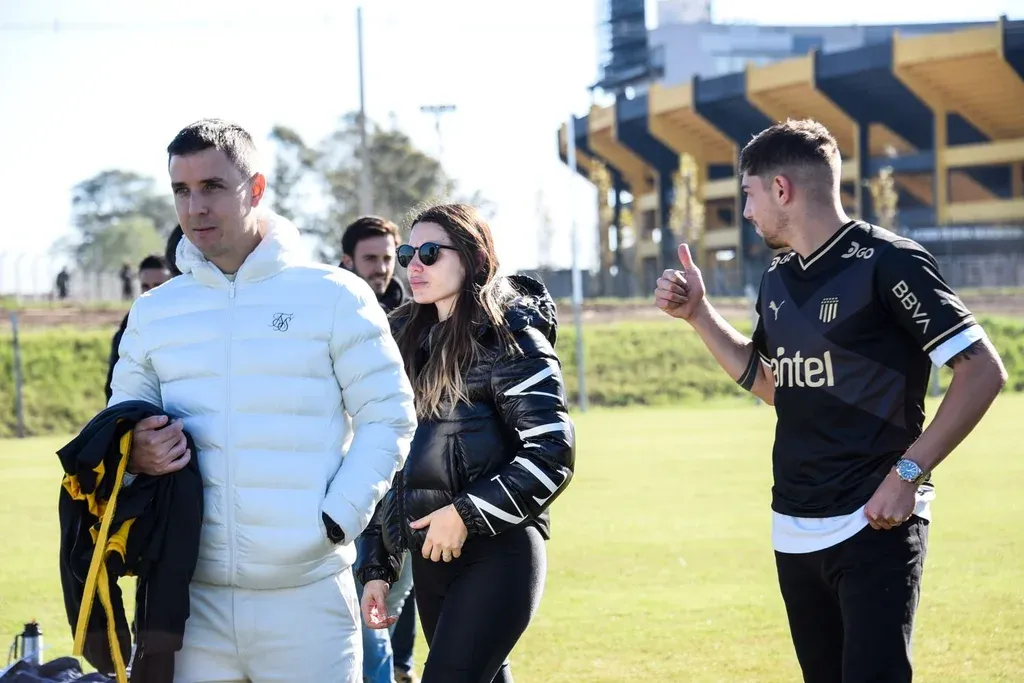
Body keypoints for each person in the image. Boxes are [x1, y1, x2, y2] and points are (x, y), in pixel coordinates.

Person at [655, 119, 1007, 683]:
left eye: (748, 194)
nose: (745, 211)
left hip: (875, 521)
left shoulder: (890, 261)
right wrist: (698, 314)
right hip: (793, 525)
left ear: (781, 189)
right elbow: (775, 385)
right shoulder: (777, 277)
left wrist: (908, 474)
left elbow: (982, 370)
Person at [107, 118, 417, 683]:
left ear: (254, 188)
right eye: (181, 190)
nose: (196, 206)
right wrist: (135, 452)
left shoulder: (334, 295)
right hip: (188, 603)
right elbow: (119, 428)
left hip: (306, 599)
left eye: (212, 187)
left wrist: (336, 520)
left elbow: (389, 415)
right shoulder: (154, 311)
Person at [356, 203, 576, 683]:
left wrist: (463, 514)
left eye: (430, 253)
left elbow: (552, 453)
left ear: (474, 258)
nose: (414, 265)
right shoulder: (401, 343)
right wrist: (377, 566)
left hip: (497, 554)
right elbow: (387, 460)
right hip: (430, 560)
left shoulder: (512, 339)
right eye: (409, 253)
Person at [340, 214, 418, 683]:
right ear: (347, 260)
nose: (382, 267)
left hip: (405, 469)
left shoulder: (413, 314)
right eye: (370, 258)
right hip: (346, 472)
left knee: (399, 584)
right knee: (359, 597)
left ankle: (400, 666)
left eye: (389, 257)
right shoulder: (332, 311)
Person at [104, 254, 173, 401]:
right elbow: (114, 384)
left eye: (158, 285)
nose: (151, 292)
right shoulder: (129, 325)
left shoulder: (184, 322)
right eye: (145, 286)